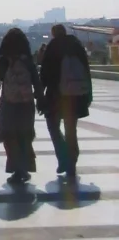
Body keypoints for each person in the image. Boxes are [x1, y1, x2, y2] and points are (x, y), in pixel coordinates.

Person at [0, 27, 44, 185]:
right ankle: (25, 167)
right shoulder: (27, 60)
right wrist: (41, 98)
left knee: (9, 135)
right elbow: (36, 81)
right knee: (25, 135)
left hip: (8, 102)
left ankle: (16, 168)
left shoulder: (3, 60)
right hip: (26, 103)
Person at [40, 23, 92, 180]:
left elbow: (45, 73)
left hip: (56, 96)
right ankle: (72, 160)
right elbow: (86, 71)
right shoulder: (77, 47)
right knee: (71, 129)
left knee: (53, 126)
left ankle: (64, 157)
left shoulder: (53, 47)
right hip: (75, 96)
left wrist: (40, 95)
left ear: (53, 34)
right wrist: (88, 94)